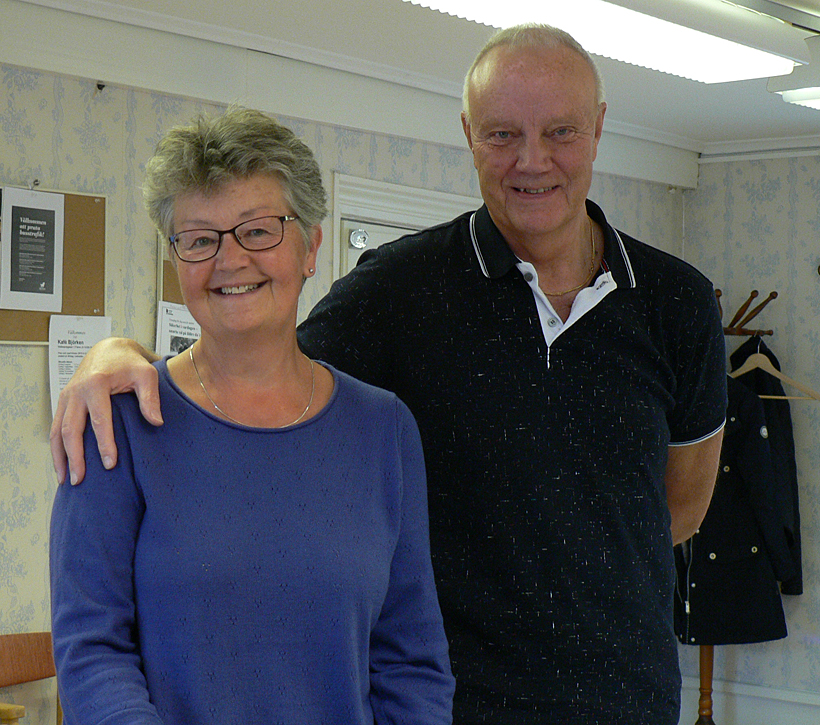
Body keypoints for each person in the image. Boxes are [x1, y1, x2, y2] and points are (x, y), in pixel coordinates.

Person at [50, 25, 727, 724]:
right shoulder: (398, 290)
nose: (532, 160)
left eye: (560, 131)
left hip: (628, 701)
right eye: (502, 134)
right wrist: (116, 353)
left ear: (598, 128)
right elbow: (255, 357)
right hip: (468, 707)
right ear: (469, 135)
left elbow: (680, 507)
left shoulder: (678, 302)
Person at [49, 107, 454, 725]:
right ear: (176, 259)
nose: (230, 259)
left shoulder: (384, 430)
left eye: (259, 230)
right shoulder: (116, 422)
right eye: (199, 239)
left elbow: (411, 661)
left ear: (311, 246)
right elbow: (91, 650)